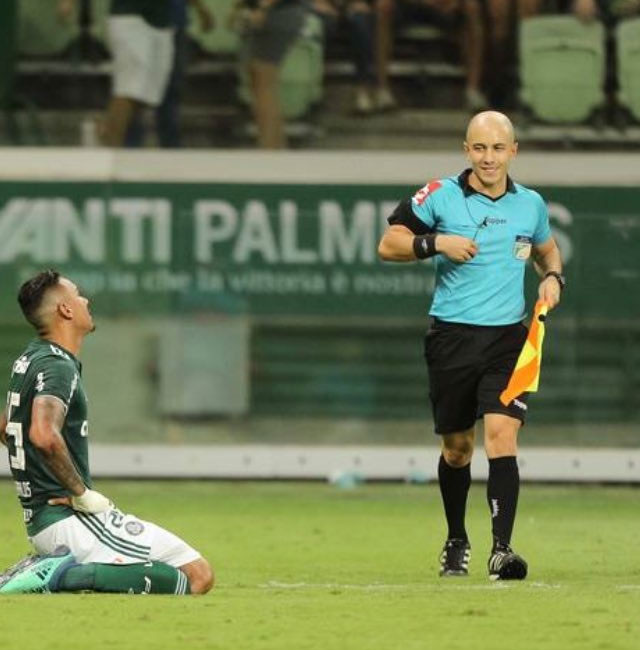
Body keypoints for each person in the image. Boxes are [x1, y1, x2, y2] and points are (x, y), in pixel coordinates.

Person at [377, 111, 564, 580]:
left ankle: (502, 551)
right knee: (458, 448)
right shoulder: (439, 194)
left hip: (509, 340)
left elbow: (547, 249)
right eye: (479, 148)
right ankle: (457, 537)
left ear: (513, 152)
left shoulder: (531, 205)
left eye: (498, 148)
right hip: (452, 338)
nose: (488, 158)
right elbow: (389, 243)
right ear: (466, 150)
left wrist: (554, 278)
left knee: (502, 436)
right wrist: (437, 242)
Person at [0, 270, 213, 594]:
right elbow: (42, 435)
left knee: (192, 573)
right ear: (66, 311)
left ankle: (52, 567)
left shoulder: (31, 358)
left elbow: (7, 426)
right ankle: (58, 575)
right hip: (69, 520)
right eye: (78, 294)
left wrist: (40, 479)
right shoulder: (57, 365)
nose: (86, 299)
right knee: (197, 577)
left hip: (49, 520)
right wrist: (80, 493)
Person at [58, 0, 175, 147]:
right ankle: (111, 149)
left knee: (147, 95)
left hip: (162, 21)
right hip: (130, 17)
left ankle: (104, 127)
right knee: (130, 89)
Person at [125, 0, 215, 148]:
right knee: (138, 89)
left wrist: (202, 10)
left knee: (170, 90)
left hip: (171, 24)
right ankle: (132, 143)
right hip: (142, 24)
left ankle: (169, 145)